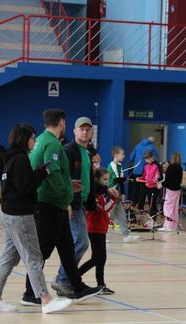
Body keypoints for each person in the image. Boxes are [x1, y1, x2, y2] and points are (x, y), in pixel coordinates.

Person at [0, 123, 72, 314]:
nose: (35, 141)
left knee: (9, 256)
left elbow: (20, 183)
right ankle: (45, 299)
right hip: (20, 215)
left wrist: (36, 173)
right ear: (24, 139)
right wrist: (42, 173)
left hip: (8, 213)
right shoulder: (20, 159)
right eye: (33, 138)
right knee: (33, 257)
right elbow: (26, 187)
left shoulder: (10, 158)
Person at [23, 108, 103, 305]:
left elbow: (56, 173)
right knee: (43, 250)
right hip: (49, 204)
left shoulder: (42, 140)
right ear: (62, 123)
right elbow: (52, 173)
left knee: (67, 248)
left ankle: (78, 287)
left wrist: (68, 184)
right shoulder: (51, 143)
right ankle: (30, 293)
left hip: (54, 203)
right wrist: (67, 193)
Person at [51, 117, 118, 296]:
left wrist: (105, 189)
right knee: (80, 242)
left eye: (88, 129)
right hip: (72, 204)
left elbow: (88, 182)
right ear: (74, 131)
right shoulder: (68, 150)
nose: (85, 132)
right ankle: (63, 279)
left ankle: (65, 280)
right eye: (82, 129)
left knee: (76, 243)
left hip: (81, 204)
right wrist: (66, 201)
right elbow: (62, 177)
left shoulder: (87, 154)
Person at [78, 168, 117, 294]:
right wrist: (114, 199)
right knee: (96, 258)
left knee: (102, 258)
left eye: (108, 180)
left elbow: (104, 212)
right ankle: (74, 277)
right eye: (104, 179)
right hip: (94, 229)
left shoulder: (101, 195)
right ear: (97, 180)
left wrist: (108, 219)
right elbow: (103, 209)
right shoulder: (93, 195)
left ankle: (101, 285)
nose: (106, 182)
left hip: (101, 229)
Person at [108, 146, 140, 242]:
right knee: (108, 216)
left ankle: (126, 236)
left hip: (118, 195)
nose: (124, 156)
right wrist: (125, 179)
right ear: (116, 155)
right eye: (122, 154)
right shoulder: (111, 166)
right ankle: (103, 236)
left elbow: (121, 181)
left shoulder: (120, 166)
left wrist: (123, 193)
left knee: (122, 216)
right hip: (111, 194)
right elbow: (116, 180)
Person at [129, 136, 159, 203]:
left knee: (135, 189)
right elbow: (156, 159)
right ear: (152, 142)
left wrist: (136, 162)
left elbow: (131, 158)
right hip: (146, 172)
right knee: (143, 190)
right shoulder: (152, 147)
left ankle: (133, 205)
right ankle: (141, 206)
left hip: (136, 170)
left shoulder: (137, 146)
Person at [136, 151, 161, 228]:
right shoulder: (145, 165)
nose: (146, 161)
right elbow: (144, 176)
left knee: (152, 204)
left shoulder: (157, 165)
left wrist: (157, 179)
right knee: (148, 204)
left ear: (152, 157)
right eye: (145, 159)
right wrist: (139, 178)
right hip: (147, 187)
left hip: (154, 188)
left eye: (147, 159)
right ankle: (151, 220)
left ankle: (153, 221)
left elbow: (160, 176)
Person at [159, 152, 183, 232]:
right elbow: (179, 180)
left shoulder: (171, 167)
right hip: (177, 190)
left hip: (171, 190)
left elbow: (167, 181)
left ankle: (168, 226)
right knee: (175, 208)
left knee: (168, 207)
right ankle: (174, 225)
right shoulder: (180, 167)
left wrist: (161, 184)